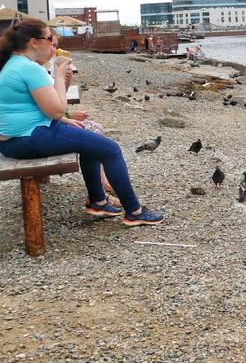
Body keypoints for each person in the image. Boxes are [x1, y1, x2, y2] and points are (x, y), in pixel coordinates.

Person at [0, 17, 163, 226]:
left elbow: (40, 110)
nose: (52, 43)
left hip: (13, 140)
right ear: (34, 42)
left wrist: (68, 122)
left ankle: (98, 201)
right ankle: (135, 211)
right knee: (111, 150)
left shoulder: (13, 63)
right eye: (49, 38)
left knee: (91, 142)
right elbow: (58, 110)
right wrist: (59, 77)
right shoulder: (29, 68)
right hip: (28, 139)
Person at [35, 35, 116, 196]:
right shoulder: (37, 72)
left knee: (94, 130)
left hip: (49, 122)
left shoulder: (43, 70)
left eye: (55, 46)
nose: (53, 50)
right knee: (93, 135)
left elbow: (58, 98)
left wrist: (66, 80)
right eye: (50, 45)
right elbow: (50, 108)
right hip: (44, 128)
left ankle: (100, 189)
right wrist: (68, 117)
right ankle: (99, 192)